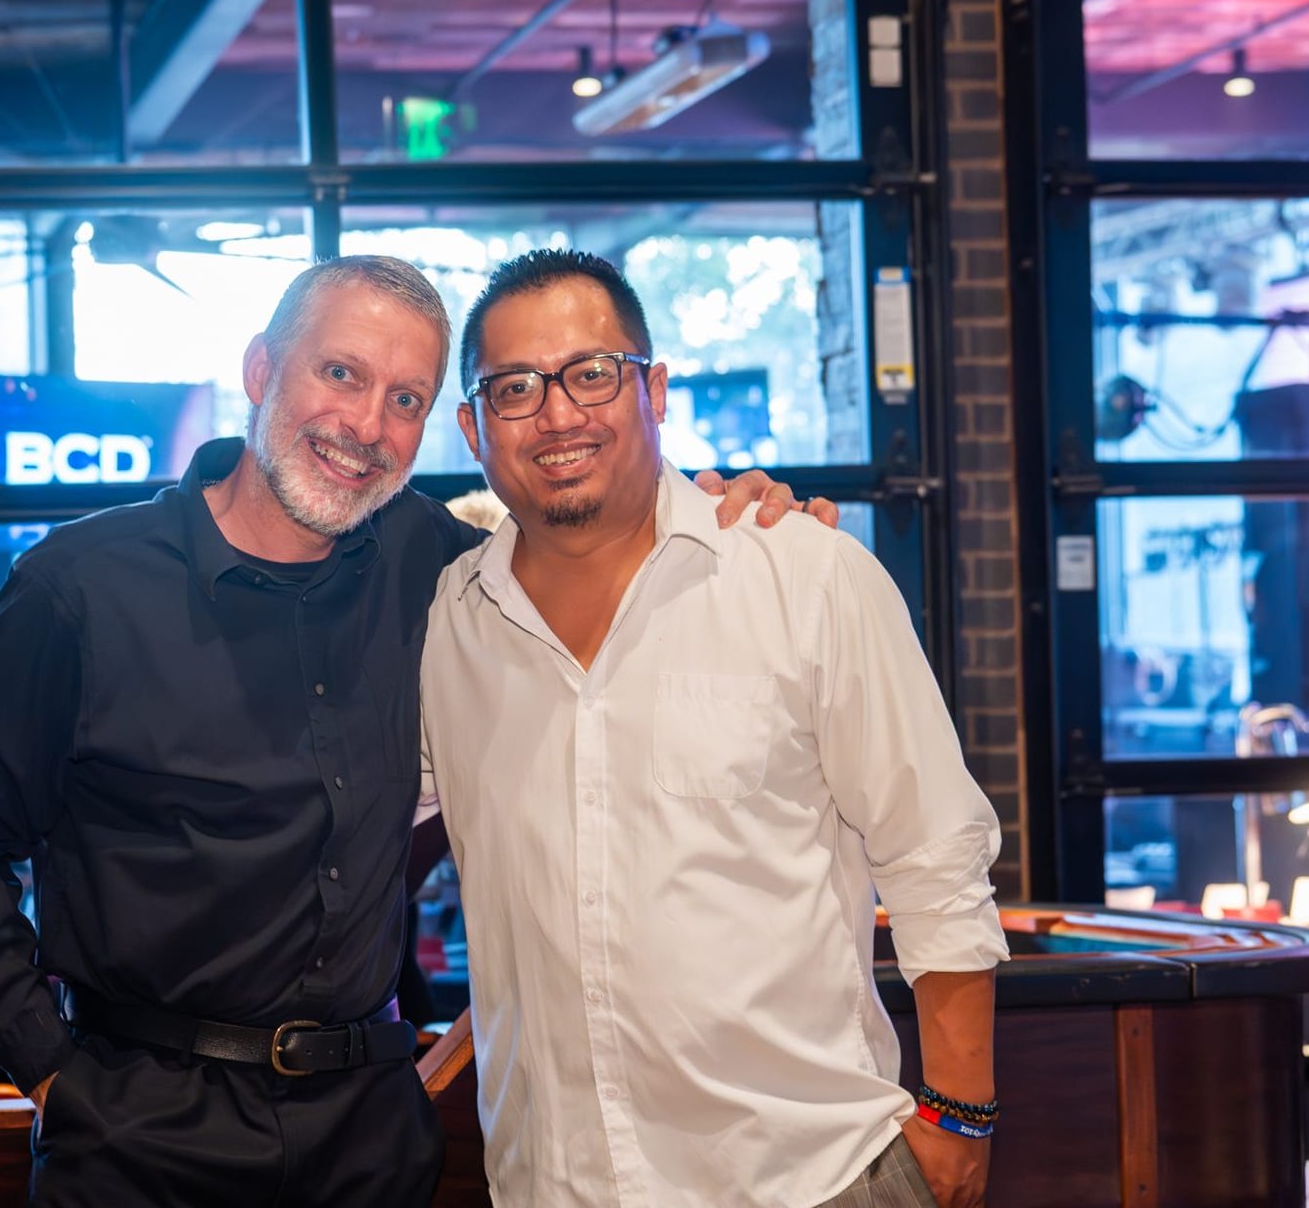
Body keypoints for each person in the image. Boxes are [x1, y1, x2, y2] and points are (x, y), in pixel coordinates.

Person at [0, 255, 835, 1207]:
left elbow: (598, 557)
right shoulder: (81, 589)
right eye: (340, 374)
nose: (365, 427)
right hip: (139, 1138)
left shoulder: (441, 567)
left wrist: (740, 521)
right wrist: (55, 1072)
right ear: (262, 371)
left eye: (405, 398)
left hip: (371, 1136)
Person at [420, 249, 1008, 1208]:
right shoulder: (448, 626)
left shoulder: (804, 576)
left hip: (813, 1179)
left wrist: (959, 1121)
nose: (559, 413)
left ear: (654, 389)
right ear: (473, 428)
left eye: (591, 373)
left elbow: (935, 853)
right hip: (554, 1187)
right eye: (515, 386)